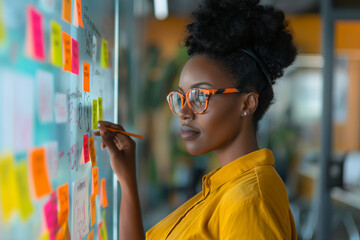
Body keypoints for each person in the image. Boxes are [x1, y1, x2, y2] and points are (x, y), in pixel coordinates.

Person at [98, 0, 297, 239]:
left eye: (200, 96)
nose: (184, 111)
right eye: (181, 97)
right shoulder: (223, 186)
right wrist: (127, 180)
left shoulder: (249, 201)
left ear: (247, 104)